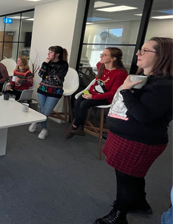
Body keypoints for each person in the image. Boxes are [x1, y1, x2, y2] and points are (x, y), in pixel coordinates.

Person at [95, 37, 172, 224]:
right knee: (132, 174)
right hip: (124, 137)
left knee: (125, 179)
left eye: (145, 50)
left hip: (139, 141)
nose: (138, 53)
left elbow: (145, 116)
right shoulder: (146, 79)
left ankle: (118, 215)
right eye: (140, 49)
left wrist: (126, 91)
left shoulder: (165, 86)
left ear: (162, 56)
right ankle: (139, 202)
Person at [65, 47, 127, 139]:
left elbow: (113, 93)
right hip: (92, 92)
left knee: (84, 104)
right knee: (77, 100)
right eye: (101, 54)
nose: (101, 56)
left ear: (113, 58)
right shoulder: (100, 65)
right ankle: (79, 127)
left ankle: (74, 126)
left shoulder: (120, 74)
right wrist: (90, 94)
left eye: (104, 55)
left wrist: (92, 97)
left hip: (105, 98)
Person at [29, 46, 69, 140]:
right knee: (43, 110)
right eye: (49, 51)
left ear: (57, 54)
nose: (48, 54)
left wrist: (47, 75)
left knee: (45, 112)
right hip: (42, 89)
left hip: (55, 92)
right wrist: (45, 63)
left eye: (51, 52)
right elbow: (40, 75)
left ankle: (36, 121)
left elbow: (58, 77)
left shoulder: (64, 64)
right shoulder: (47, 63)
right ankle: (44, 129)